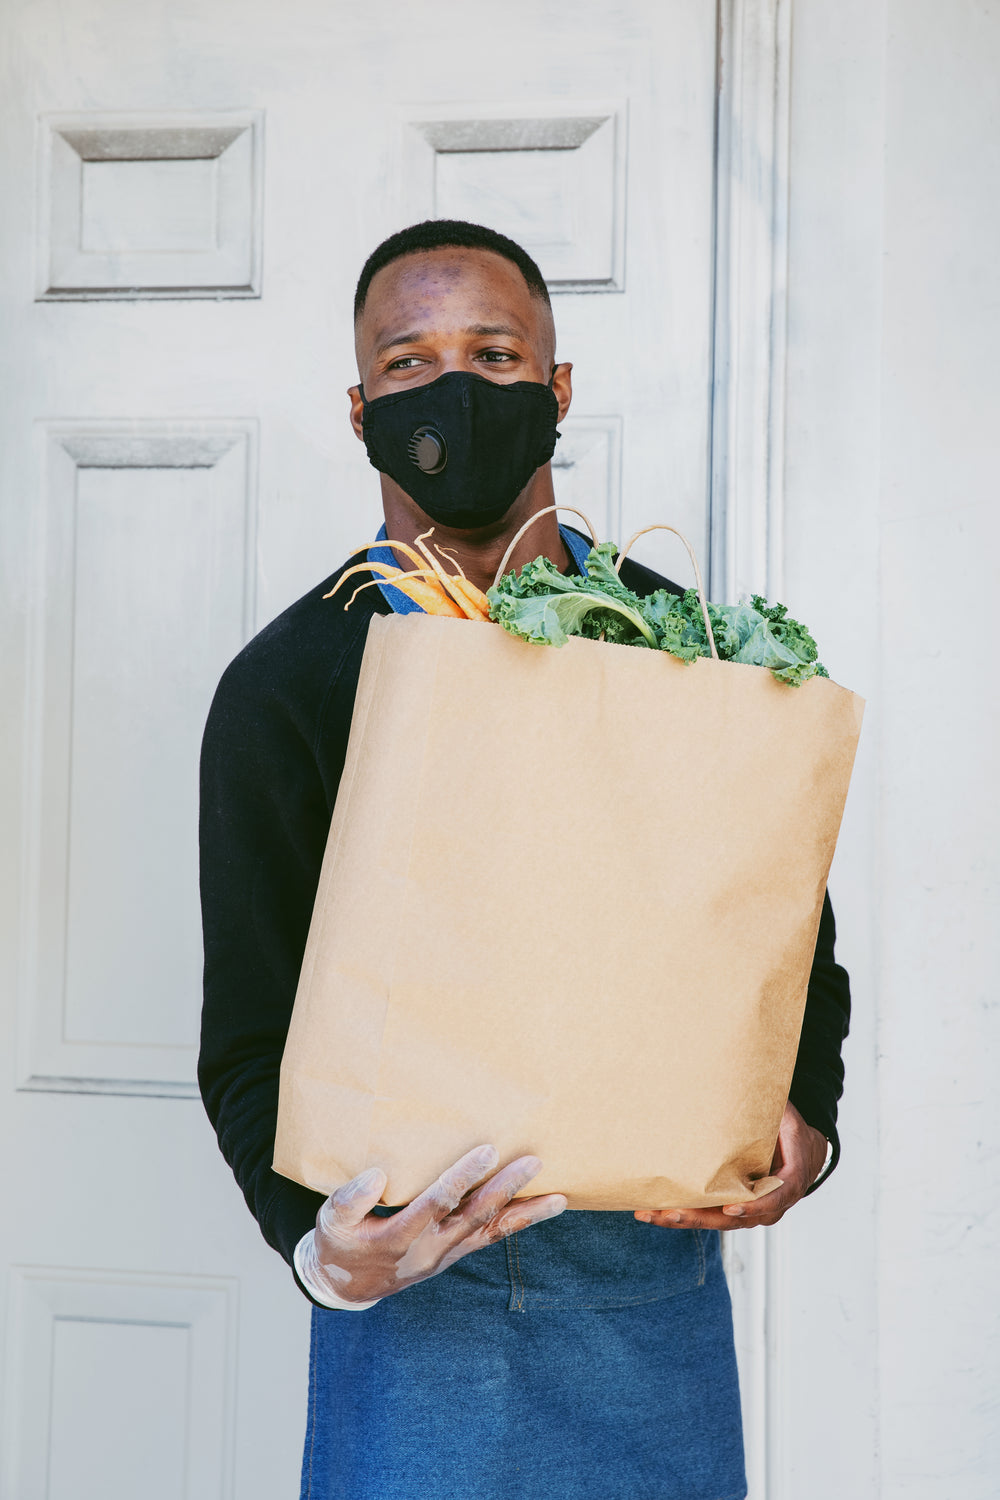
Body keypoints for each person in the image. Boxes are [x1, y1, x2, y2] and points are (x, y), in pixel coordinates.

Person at [198, 219, 850, 1500]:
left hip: (647, 1284)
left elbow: (786, 934)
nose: (453, 389)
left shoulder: (682, 654)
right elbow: (246, 1038)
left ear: (558, 390)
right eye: (409, 361)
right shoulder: (290, 687)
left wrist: (806, 1122)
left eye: (495, 354)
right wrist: (324, 1257)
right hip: (417, 1295)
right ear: (358, 407)